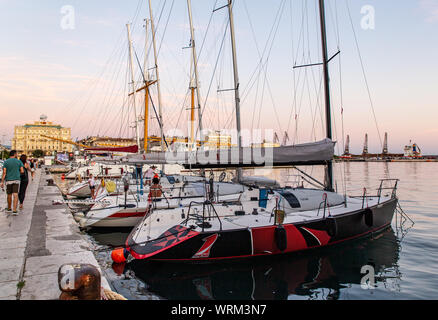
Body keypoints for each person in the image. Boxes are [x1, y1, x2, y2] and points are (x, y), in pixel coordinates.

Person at [0, 150, 24, 215]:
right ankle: (15, 210)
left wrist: (2, 182)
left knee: (9, 195)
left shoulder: (6, 162)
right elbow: (22, 171)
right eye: (16, 153)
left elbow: (4, 172)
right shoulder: (19, 161)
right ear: (15, 154)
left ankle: (9, 208)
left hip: (8, 180)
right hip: (16, 180)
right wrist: (17, 172)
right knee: (15, 194)